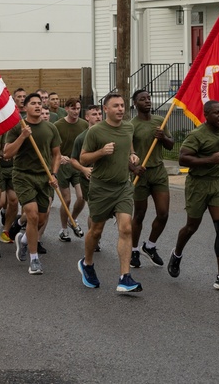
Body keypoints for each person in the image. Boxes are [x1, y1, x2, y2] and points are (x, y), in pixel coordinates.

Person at [167, 100, 219, 292]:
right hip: (198, 185)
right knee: (192, 226)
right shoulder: (196, 135)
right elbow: (183, 158)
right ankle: (177, 253)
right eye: (217, 113)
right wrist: (208, 160)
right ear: (206, 115)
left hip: (218, 183)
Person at [76, 93, 142, 293]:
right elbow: (84, 159)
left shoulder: (129, 127)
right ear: (106, 110)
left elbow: (130, 147)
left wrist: (133, 155)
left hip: (123, 186)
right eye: (116, 106)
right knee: (96, 231)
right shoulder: (95, 132)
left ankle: (125, 277)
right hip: (101, 187)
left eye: (122, 105)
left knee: (126, 229)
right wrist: (101, 152)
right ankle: (87, 264)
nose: (121, 109)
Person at [3, 93, 61, 275]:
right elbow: (7, 154)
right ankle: (34, 260)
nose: (37, 106)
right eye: (33, 103)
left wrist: (53, 174)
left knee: (41, 219)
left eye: (39, 103)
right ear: (25, 108)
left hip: (43, 177)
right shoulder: (17, 127)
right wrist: (22, 136)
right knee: (33, 216)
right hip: (23, 176)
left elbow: (56, 154)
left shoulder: (50, 128)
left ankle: (24, 240)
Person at [129, 89, 174, 269]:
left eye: (148, 98)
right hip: (141, 174)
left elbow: (171, 145)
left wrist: (163, 137)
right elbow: (125, 152)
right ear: (135, 104)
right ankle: (133, 250)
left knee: (163, 213)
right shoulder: (131, 125)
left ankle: (150, 246)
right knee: (139, 214)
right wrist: (133, 168)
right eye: (142, 99)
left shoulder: (159, 122)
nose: (147, 101)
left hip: (158, 172)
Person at [53, 98, 87, 242]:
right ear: (66, 109)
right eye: (73, 108)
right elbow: (53, 146)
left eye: (78, 108)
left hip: (77, 165)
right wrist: (60, 157)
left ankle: (72, 220)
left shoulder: (84, 125)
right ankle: (63, 229)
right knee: (66, 199)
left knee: (82, 197)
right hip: (63, 166)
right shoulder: (58, 125)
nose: (76, 111)